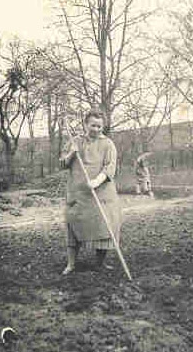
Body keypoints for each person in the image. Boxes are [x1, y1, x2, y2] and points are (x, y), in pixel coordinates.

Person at [60, 110, 123, 275]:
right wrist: (72, 153)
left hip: (101, 194)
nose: (96, 129)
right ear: (86, 124)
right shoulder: (75, 142)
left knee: (105, 226)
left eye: (99, 126)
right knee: (73, 226)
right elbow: (63, 164)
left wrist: (97, 181)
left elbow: (110, 167)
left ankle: (99, 263)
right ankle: (71, 264)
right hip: (78, 193)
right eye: (93, 125)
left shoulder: (108, 144)